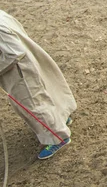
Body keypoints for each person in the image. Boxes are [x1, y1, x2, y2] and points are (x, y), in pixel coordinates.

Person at [0, 10, 77, 160]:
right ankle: (59, 119)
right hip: (25, 62)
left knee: (33, 103)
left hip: (19, 70)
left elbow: (14, 52)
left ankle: (58, 137)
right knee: (44, 92)